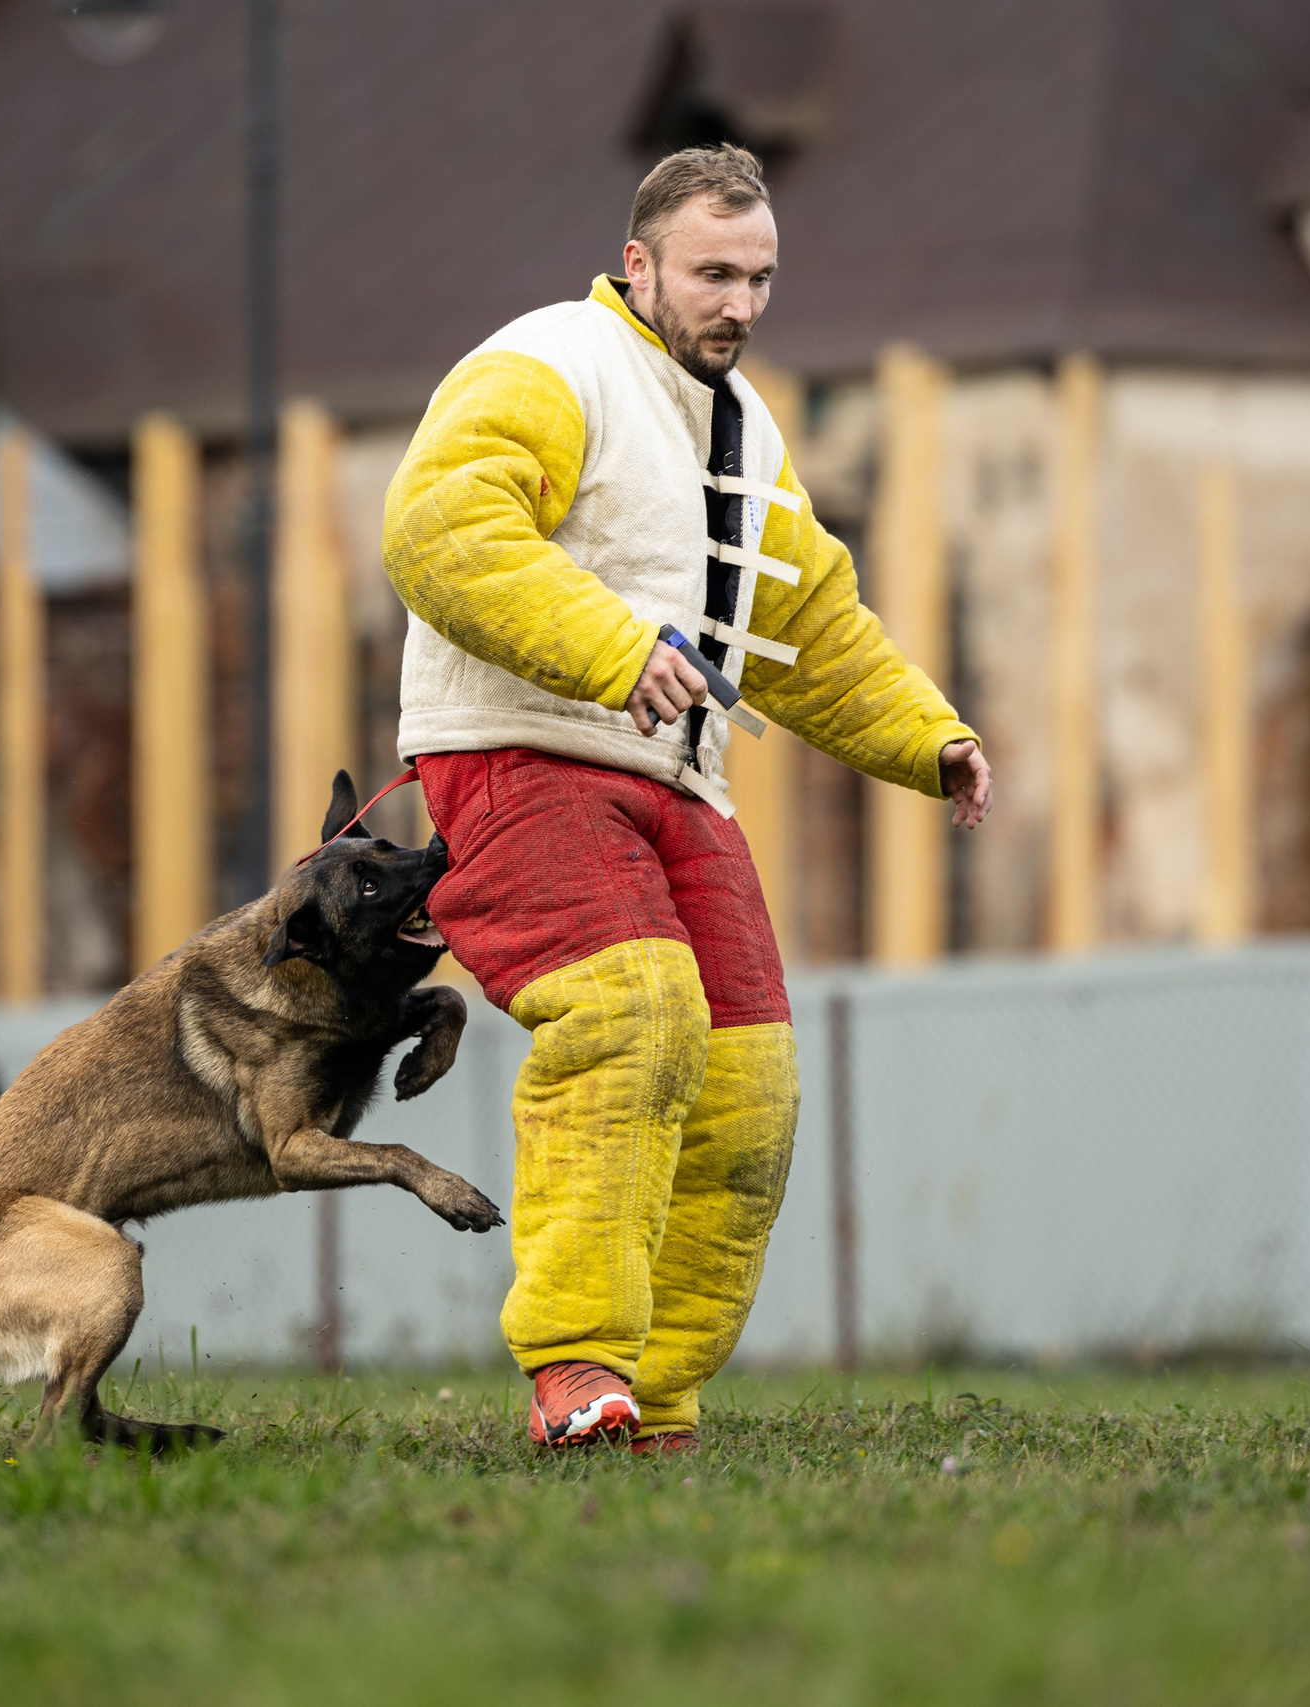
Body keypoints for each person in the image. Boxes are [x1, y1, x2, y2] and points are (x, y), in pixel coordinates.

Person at [383, 144, 992, 1453]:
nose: (741, 303)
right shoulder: (548, 362)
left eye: (761, 277)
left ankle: (652, 1396)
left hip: (680, 777)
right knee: (632, 1012)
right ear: (640, 264)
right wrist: (615, 650)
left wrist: (927, 736)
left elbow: (808, 620)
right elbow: (440, 528)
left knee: (750, 1084)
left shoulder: (748, 425)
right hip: (519, 747)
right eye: (715, 272)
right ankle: (575, 1363)